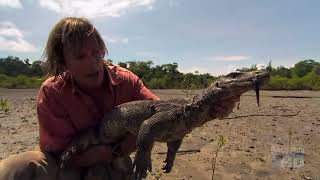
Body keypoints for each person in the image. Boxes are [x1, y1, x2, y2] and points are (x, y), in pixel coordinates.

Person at [0, 17, 239, 180]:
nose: (93, 61)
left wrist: (211, 112)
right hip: (67, 161)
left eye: (96, 52)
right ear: (63, 62)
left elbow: (166, 119)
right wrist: (100, 154)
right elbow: (59, 151)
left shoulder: (126, 80)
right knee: (15, 168)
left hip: (116, 156)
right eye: (80, 56)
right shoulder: (52, 91)